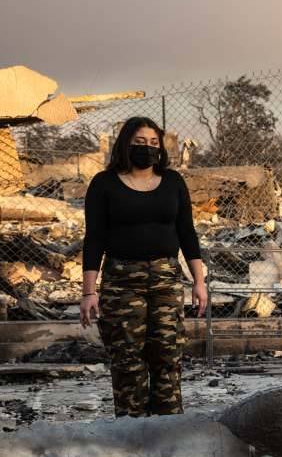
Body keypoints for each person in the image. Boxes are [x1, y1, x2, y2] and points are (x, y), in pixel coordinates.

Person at [80, 116, 207, 418]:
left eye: (153, 143)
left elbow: (187, 233)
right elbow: (94, 238)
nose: (147, 148)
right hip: (121, 282)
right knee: (127, 358)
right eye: (139, 142)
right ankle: (131, 431)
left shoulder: (173, 181)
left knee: (167, 354)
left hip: (165, 279)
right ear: (125, 144)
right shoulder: (103, 184)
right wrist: (88, 293)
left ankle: (167, 429)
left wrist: (199, 282)